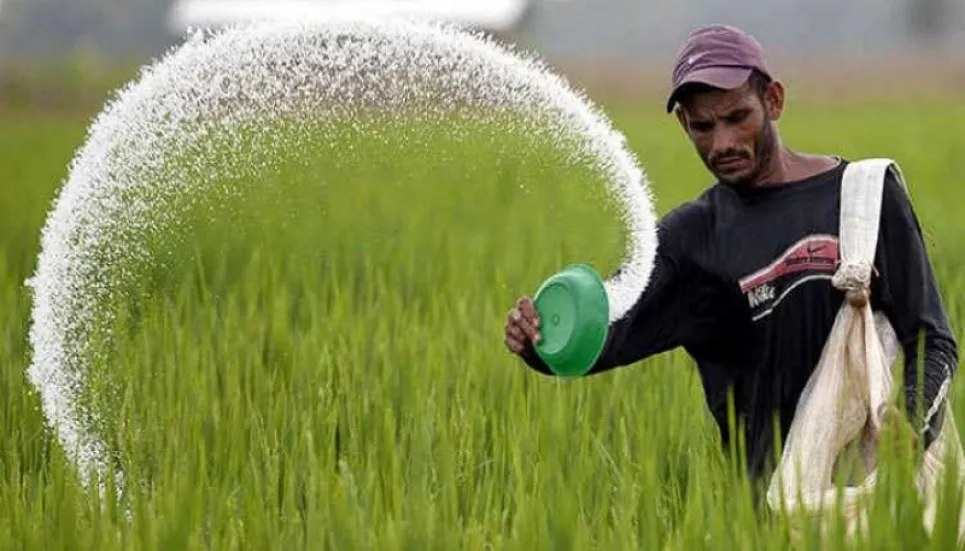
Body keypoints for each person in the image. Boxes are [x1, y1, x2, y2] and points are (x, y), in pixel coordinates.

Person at [503, 23, 958, 484]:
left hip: (878, 495)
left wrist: (910, 427)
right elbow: (606, 332)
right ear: (684, 123)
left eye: (738, 117)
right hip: (772, 514)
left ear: (773, 101)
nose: (722, 143)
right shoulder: (692, 239)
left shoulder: (864, 196)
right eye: (702, 126)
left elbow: (930, 337)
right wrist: (538, 340)